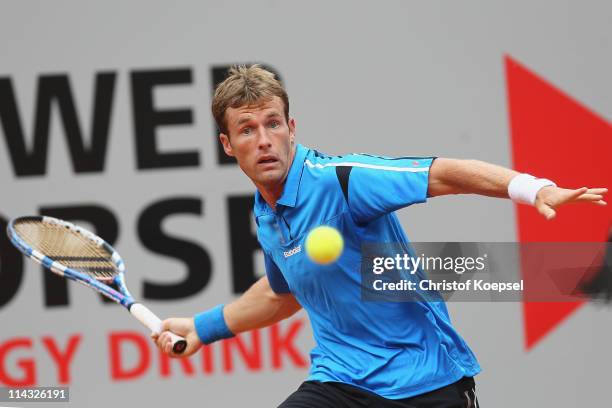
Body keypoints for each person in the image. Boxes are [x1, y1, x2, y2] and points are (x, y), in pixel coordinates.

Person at [152, 65, 607, 407]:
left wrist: (534, 188)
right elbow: (281, 295)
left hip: (425, 382)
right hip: (342, 381)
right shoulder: (265, 213)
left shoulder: (341, 180)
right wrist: (202, 328)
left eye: (273, 123)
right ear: (228, 145)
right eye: (247, 130)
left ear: (292, 129)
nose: (264, 139)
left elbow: (443, 174)